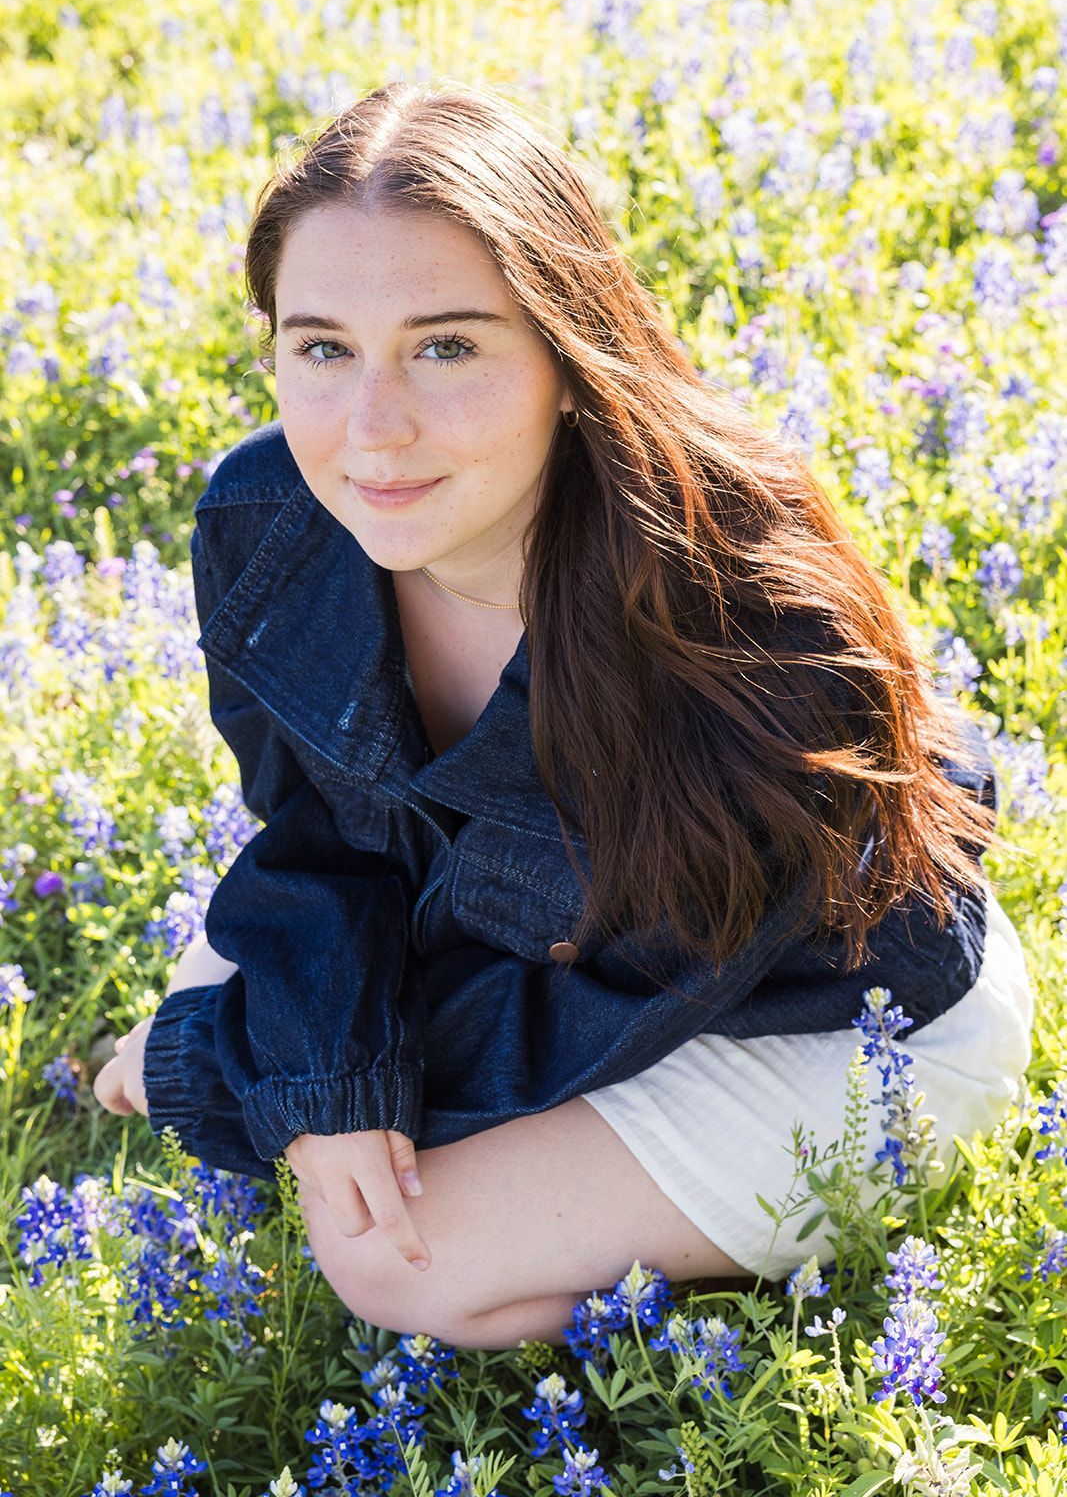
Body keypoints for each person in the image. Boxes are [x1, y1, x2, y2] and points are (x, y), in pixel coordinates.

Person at [93, 77, 1034, 1351]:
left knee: (389, 1262)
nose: (372, 429)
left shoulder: (729, 616)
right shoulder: (267, 521)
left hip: (824, 1013)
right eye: (322, 347)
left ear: (566, 355)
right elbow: (313, 833)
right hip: (507, 937)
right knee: (283, 1029)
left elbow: (589, 1016)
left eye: (447, 345)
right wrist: (314, 1065)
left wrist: (261, 1073)